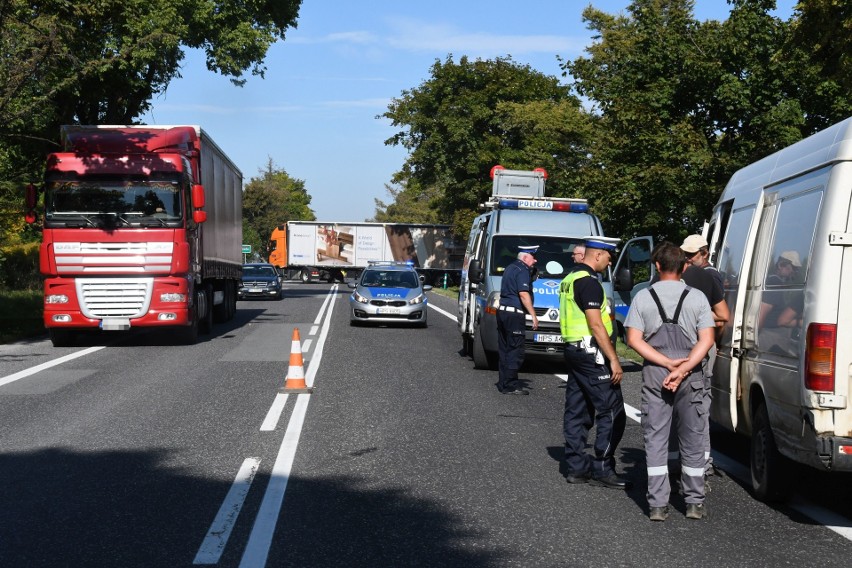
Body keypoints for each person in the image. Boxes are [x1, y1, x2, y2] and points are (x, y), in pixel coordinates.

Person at [625, 242, 716, 521]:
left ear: (657, 266)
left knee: (655, 437)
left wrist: (665, 364)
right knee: (693, 436)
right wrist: (685, 367)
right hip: (691, 373)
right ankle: (694, 503)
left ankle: (657, 506)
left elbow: (633, 339)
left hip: (656, 371)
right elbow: (707, 339)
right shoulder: (697, 297)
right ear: (684, 266)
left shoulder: (643, 297)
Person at [559, 236, 631, 489]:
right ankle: (603, 468)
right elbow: (596, 323)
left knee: (577, 410)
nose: (610, 261)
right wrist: (614, 359)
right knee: (612, 411)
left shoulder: (569, 280)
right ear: (598, 255)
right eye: (609, 256)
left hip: (573, 351)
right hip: (591, 354)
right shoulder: (589, 283)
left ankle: (577, 468)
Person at [496, 245, 539, 395]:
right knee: (515, 350)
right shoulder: (523, 270)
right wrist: (533, 315)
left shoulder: (510, 267)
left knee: (505, 348)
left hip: (503, 312)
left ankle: (503, 382)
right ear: (526, 257)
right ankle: (511, 385)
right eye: (533, 257)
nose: (535, 260)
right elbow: (523, 294)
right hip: (514, 315)